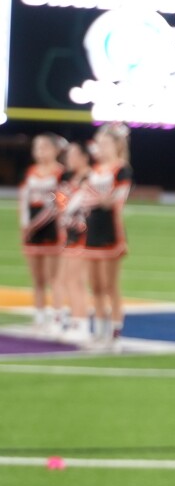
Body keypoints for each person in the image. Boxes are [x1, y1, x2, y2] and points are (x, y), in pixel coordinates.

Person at [81, 122, 132, 351]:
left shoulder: (121, 169)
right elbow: (86, 199)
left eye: (104, 143)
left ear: (116, 145)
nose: (100, 147)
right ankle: (99, 331)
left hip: (111, 229)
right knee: (96, 285)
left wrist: (93, 198)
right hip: (92, 228)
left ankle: (115, 334)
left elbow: (114, 200)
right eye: (98, 143)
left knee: (111, 285)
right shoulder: (94, 170)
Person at [18, 132, 66, 334]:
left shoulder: (61, 173)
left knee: (53, 277)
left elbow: (61, 202)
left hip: (52, 227)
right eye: (37, 147)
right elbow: (24, 199)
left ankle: (57, 317)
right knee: (37, 278)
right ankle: (39, 316)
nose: (40, 152)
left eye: (44, 147)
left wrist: (37, 222)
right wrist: (25, 225)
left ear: (55, 150)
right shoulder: (30, 171)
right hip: (32, 229)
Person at [55, 141, 93, 345]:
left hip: (83, 234)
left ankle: (82, 324)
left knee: (76, 280)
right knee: (67, 279)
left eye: (73, 154)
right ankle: (75, 321)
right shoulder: (70, 177)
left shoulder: (89, 177)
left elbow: (74, 204)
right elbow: (60, 202)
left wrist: (65, 207)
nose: (68, 159)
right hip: (69, 233)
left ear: (84, 156)